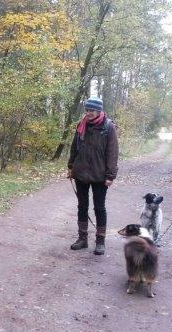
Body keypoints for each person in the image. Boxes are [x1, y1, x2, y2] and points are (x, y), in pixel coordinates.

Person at [67, 97, 119, 256]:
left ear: (99, 111)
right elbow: (74, 147)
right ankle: (82, 239)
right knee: (82, 207)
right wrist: (70, 166)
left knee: (99, 208)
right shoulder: (81, 125)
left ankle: (100, 241)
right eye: (87, 110)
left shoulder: (108, 127)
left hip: (100, 175)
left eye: (91, 110)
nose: (88, 113)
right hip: (81, 172)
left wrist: (110, 175)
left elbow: (112, 153)